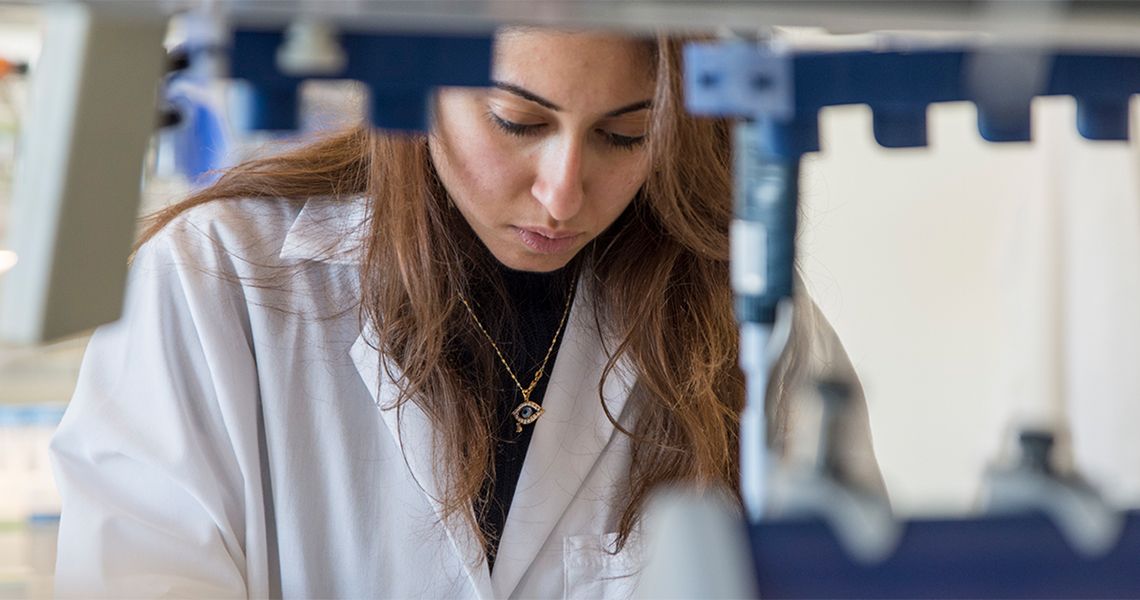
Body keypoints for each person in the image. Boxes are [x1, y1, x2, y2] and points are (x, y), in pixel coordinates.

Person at [50, 28, 883, 598]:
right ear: (417, 89)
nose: (563, 192)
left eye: (625, 135)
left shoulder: (742, 322)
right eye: (517, 121)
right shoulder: (220, 281)